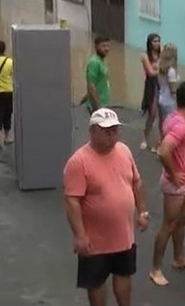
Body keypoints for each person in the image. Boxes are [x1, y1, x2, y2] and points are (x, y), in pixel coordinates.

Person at [63, 108, 150, 306]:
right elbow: (72, 201)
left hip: (123, 235)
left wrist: (142, 211)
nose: (113, 135)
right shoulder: (79, 162)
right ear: (93, 131)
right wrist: (79, 235)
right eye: (107, 131)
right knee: (96, 283)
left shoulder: (124, 151)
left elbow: (136, 182)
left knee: (123, 276)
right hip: (95, 241)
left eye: (115, 130)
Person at [150, 81, 185, 286]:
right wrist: (173, 174)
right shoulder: (180, 125)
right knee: (168, 225)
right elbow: (163, 151)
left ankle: (179, 258)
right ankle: (155, 269)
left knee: (181, 222)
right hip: (176, 184)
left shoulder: (174, 117)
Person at [140, 33, 161, 151]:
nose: (157, 44)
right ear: (149, 43)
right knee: (152, 114)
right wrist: (161, 68)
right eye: (154, 41)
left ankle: (159, 142)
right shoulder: (145, 56)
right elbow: (150, 73)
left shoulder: (161, 54)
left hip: (162, 85)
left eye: (158, 41)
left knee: (163, 116)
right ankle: (145, 138)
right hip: (151, 86)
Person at [156, 43, 180, 137]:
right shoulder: (171, 71)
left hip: (162, 98)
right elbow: (173, 90)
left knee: (163, 123)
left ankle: (162, 141)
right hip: (170, 102)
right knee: (170, 125)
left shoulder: (161, 68)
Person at [85, 37, 111, 114]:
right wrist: (98, 107)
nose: (106, 49)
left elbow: (98, 82)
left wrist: (84, 98)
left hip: (103, 103)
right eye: (103, 46)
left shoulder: (101, 61)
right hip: (97, 105)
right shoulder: (94, 62)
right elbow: (91, 86)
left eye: (107, 46)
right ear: (96, 46)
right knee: (98, 125)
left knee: (99, 126)